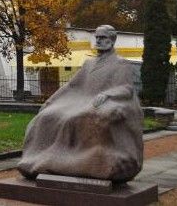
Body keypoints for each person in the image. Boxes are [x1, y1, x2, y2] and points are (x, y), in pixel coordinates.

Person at [17, 25, 144, 182]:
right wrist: (50, 100)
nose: (98, 40)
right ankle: (35, 159)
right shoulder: (88, 64)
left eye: (102, 38)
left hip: (101, 102)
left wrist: (107, 94)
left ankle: (74, 160)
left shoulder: (121, 64)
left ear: (112, 40)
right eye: (97, 37)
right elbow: (71, 85)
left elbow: (127, 88)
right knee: (46, 116)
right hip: (78, 100)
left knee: (78, 118)